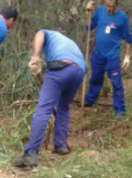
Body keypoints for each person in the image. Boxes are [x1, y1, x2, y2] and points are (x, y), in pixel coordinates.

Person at [14, 30, 87, 167]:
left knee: (43, 109)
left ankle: (31, 153)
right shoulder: (65, 42)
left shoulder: (45, 33)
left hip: (61, 67)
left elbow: (39, 35)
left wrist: (35, 57)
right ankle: (60, 145)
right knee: (64, 106)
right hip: (79, 70)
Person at [83, 0, 132, 120]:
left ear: (117, 4)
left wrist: (127, 56)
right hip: (98, 55)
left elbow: (128, 38)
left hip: (112, 57)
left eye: (111, 7)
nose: (108, 9)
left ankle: (120, 111)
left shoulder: (122, 17)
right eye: (107, 6)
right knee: (95, 79)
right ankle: (89, 101)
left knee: (116, 83)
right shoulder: (100, 11)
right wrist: (88, 12)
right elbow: (89, 26)